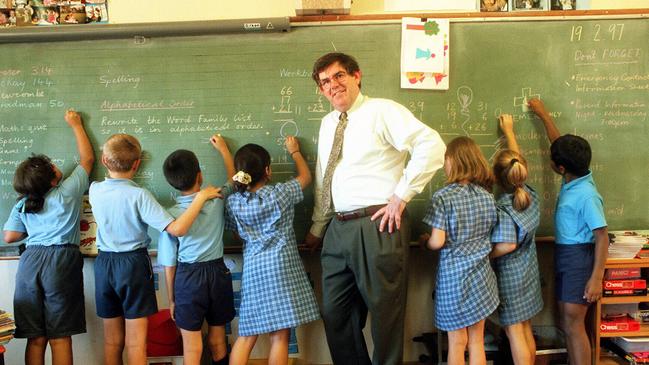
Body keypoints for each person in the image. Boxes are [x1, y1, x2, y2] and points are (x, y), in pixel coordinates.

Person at [305, 52, 445, 364]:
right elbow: (324, 177)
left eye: (339, 75)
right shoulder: (328, 124)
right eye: (325, 81)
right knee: (334, 313)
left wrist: (401, 196)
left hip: (378, 224)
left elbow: (432, 145)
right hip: (337, 228)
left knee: (386, 317)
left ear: (356, 75)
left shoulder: (382, 110)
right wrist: (318, 226)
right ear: (321, 89)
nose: (333, 85)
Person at [89, 134, 221, 365]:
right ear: (137, 164)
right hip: (132, 265)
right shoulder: (139, 195)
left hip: (104, 265)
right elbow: (177, 229)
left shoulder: (94, 189)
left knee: (112, 341)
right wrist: (200, 198)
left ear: (103, 160)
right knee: (136, 343)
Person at [3, 109, 94, 365]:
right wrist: (76, 125)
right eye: (52, 165)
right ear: (53, 180)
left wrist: (32, 230)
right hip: (61, 261)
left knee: (36, 337)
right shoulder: (67, 192)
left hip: (30, 261)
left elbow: (9, 236)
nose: (57, 165)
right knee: (60, 336)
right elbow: (87, 159)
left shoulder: (23, 204)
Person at [225, 137, 320, 365]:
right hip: (281, 270)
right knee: (280, 336)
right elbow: (306, 178)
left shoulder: (233, 202)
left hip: (254, 272)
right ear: (268, 170)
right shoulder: (280, 194)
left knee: (247, 334)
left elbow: (237, 235)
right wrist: (295, 152)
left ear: (240, 175)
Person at [529, 98, 608, 365]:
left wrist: (596, 278)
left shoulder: (586, 194)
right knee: (567, 320)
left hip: (579, 259)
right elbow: (558, 143)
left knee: (574, 323)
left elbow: (602, 236)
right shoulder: (575, 175)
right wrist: (543, 115)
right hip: (567, 254)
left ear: (560, 168)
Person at [157, 135, 236, 365]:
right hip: (217, 273)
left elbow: (169, 264)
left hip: (188, 277)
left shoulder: (170, 217)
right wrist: (224, 150)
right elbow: (235, 180)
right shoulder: (216, 198)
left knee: (192, 347)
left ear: (172, 183)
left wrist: (171, 299)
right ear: (200, 174)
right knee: (218, 340)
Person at [422, 136, 499, 365]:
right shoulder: (487, 197)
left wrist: (425, 240)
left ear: (452, 161)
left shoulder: (443, 197)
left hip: (454, 279)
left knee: (456, 341)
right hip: (482, 277)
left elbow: (437, 242)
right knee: (477, 340)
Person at [490, 114, 543, 365]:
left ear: (497, 178)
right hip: (529, 270)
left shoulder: (503, 207)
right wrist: (509, 132)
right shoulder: (528, 194)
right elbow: (515, 158)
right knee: (525, 327)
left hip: (510, 276)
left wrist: (486, 254)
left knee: (514, 331)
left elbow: (507, 245)